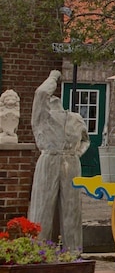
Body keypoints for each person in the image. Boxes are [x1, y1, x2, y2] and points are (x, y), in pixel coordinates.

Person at [28, 70, 90, 249]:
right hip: (49, 160)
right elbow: (40, 93)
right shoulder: (43, 117)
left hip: (71, 162)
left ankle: (73, 252)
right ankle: (37, 250)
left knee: (72, 209)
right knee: (43, 207)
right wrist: (53, 77)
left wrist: (76, 153)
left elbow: (86, 139)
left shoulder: (75, 118)